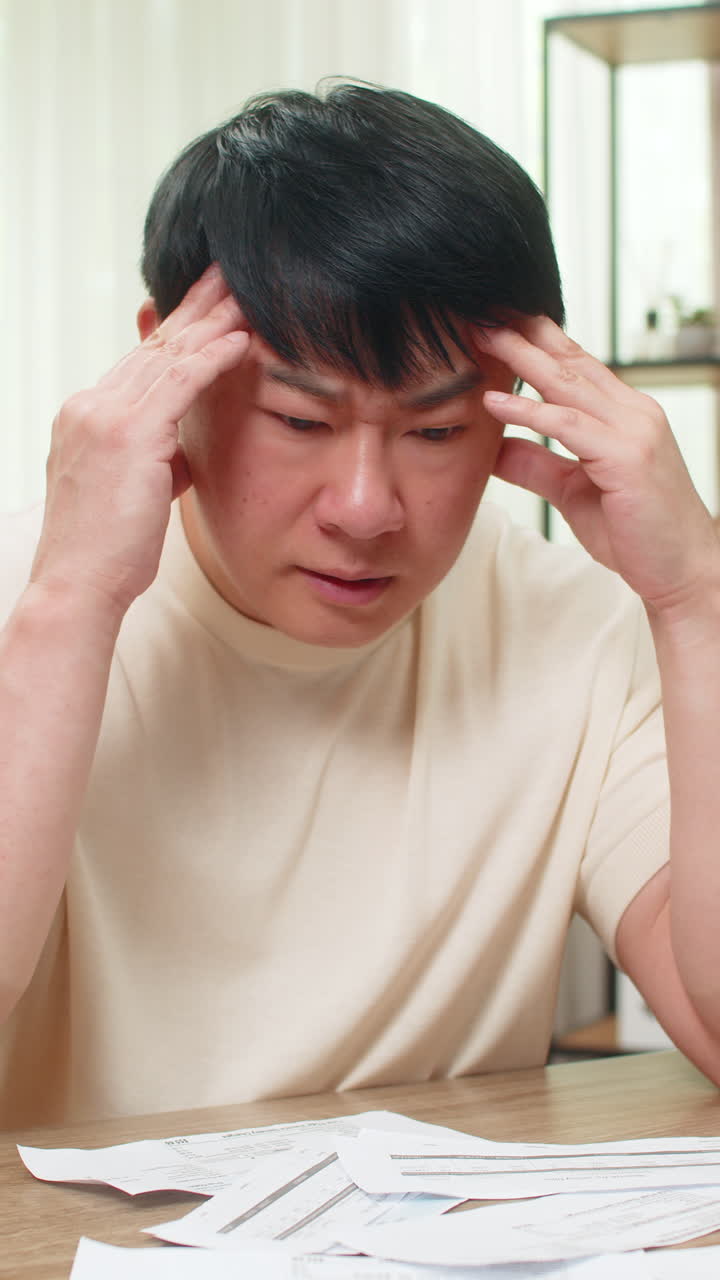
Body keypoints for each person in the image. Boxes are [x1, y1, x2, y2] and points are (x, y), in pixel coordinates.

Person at [1, 83, 719, 1130]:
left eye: (434, 431)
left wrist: (697, 597)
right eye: (301, 417)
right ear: (166, 370)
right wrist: (69, 609)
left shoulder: (576, 631)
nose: (366, 508)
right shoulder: (39, 606)